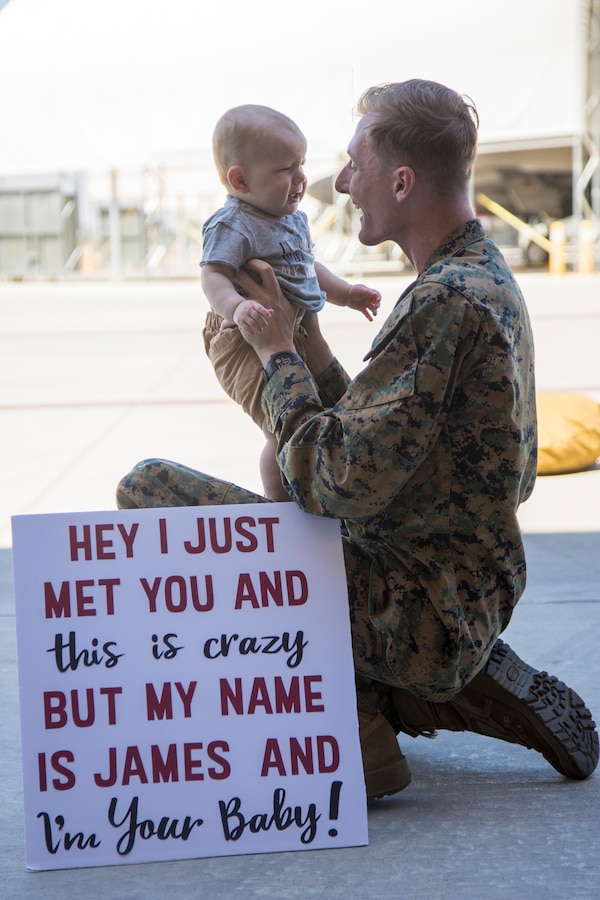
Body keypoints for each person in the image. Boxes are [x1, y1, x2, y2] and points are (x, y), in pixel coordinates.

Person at [117, 79, 598, 799]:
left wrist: (280, 353)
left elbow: (331, 477)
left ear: (402, 182)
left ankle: (372, 709)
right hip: (464, 585)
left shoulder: (441, 306)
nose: (339, 185)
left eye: (354, 165)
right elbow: (381, 438)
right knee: (285, 518)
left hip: (414, 601)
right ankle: (441, 683)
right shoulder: (479, 278)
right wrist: (309, 356)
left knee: (148, 489)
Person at [200, 104, 381, 500]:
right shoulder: (233, 223)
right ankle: (280, 511)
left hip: (292, 328)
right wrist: (236, 308)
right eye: (285, 169)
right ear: (240, 180)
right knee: (279, 427)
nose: (300, 178)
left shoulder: (291, 218)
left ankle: (306, 497)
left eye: (301, 164)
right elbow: (212, 275)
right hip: (243, 336)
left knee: (317, 417)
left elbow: (306, 266)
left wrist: (346, 294)